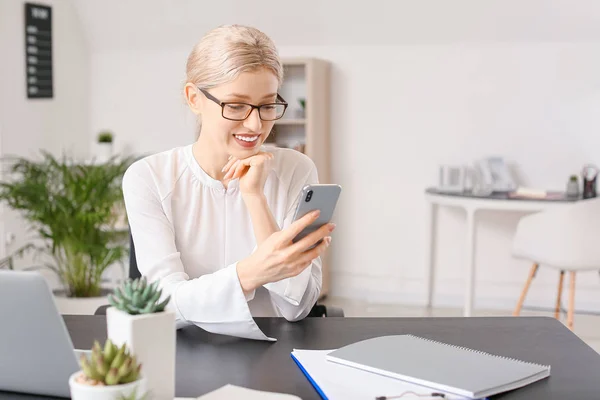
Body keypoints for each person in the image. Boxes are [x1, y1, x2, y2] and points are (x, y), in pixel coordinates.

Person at [122, 25, 335, 340]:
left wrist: (254, 196)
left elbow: (298, 308)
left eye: (267, 105)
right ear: (194, 98)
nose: (255, 124)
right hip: (181, 350)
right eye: (235, 106)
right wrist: (250, 274)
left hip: (275, 351)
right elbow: (163, 305)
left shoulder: (296, 169)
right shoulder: (148, 177)